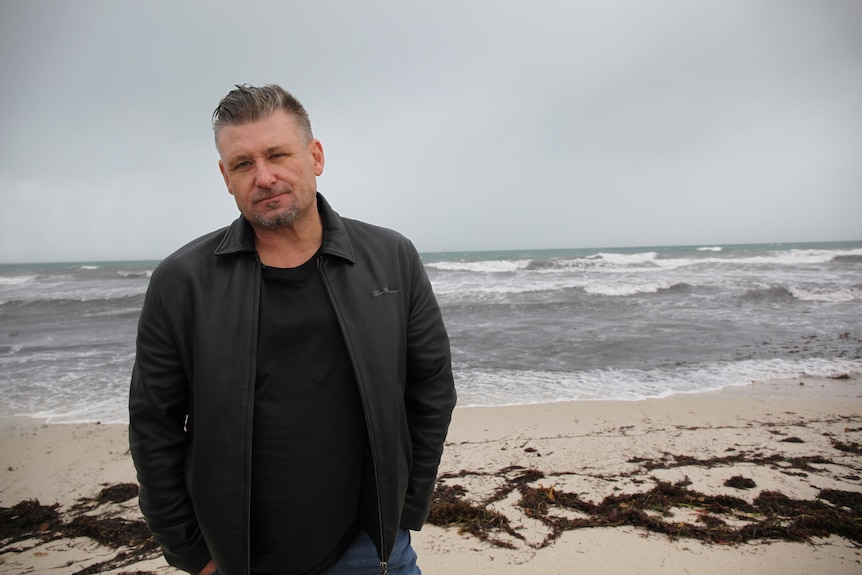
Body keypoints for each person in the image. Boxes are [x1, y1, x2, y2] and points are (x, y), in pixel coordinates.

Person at [129, 84, 457, 575]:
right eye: (243, 164)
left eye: (277, 155)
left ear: (315, 156)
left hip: (367, 549)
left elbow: (430, 386)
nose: (264, 177)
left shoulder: (391, 258)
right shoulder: (182, 282)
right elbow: (154, 425)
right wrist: (191, 553)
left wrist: (405, 510)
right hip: (239, 557)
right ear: (226, 177)